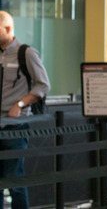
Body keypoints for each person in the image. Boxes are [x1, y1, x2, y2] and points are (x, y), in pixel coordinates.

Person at [0, 11, 50, 209]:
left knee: (14, 181)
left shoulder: (26, 53)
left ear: (8, 28)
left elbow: (43, 85)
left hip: (15, 128)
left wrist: (19, 104)